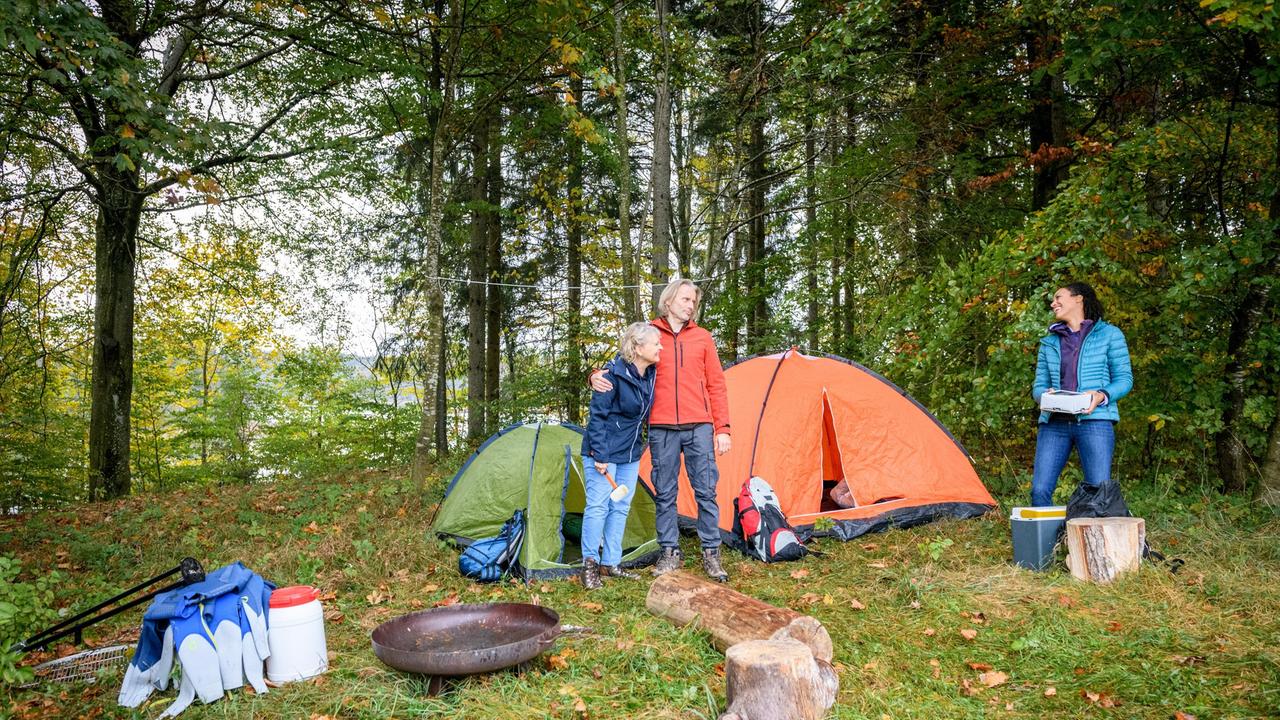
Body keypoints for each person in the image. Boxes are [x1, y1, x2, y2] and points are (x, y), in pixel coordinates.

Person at [591, 279, 732, 582]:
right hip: (662, 428)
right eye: (685, 299)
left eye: (693, 301)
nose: (690, 305)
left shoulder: (703, 338)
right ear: (668, 302)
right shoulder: (651, 335)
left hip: (699, 427)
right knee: (665, 493)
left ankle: (711, 552)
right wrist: (594, 376)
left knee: (706, 490)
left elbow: (717, 385)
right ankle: (670, 552)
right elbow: (622, 364)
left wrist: (723, 428)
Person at [1030, 282, 1133, 506]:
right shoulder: (1049, 342)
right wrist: (1044, 396)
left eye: (1059, 297)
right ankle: (1047, 542)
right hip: (1054, 423)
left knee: (1099, 492)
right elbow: (1038, 386)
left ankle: (1093, 541)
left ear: (1079, 299)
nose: (1053, 303)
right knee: (1039, 490)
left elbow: (1124, 379)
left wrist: (1100, 395)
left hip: (1095, 421)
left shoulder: (1110, 335)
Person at [579, 322, 661, 590]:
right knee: (598, 506)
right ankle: (589, 566)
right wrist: (600, 455)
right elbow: (597, 419)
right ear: (637, 347)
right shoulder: (610, 376)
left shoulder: (649, 374)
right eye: (655, 343)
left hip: (630, 453)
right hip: (603, 452)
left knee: (621, 506)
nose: (660, 347)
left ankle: (610, 562)